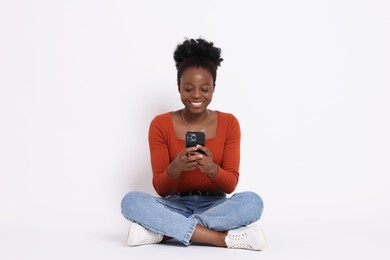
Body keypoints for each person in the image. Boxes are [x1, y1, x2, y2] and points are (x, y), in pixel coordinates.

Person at [121, 38, 266, 251]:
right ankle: (221, 238)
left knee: (253, 202)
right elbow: (161, 189)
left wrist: (211, 169)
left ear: (214, 88)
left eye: (205, 88)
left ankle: (163, 232)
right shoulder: (160, 124)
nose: (196, 95)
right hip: (174, 205)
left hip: (215, 205)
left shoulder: (229, 123)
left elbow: (230, 184)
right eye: (188, 88)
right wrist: (175, 168)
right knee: (130, 201)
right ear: (179, 87)